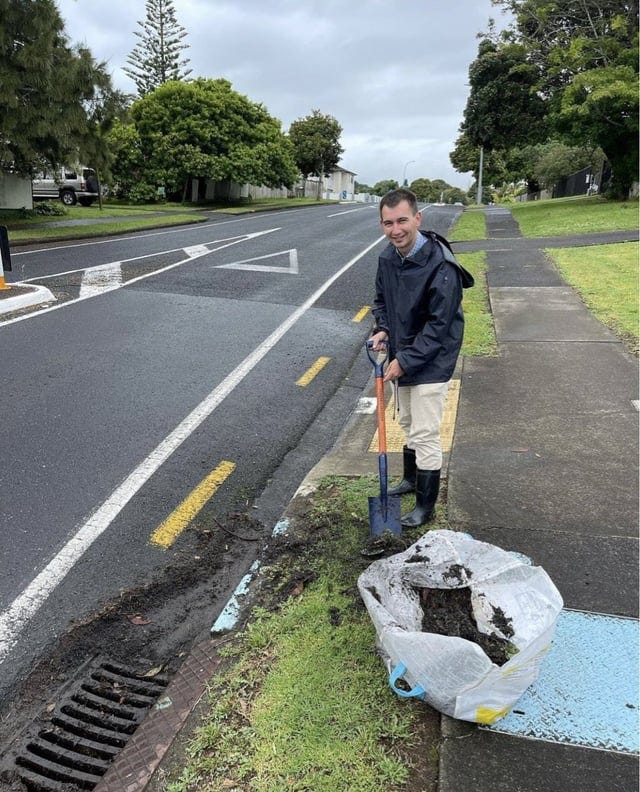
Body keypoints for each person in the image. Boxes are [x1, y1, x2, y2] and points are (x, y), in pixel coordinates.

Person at [369, 188, 473, 527]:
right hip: (405, 352)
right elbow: (382, 300)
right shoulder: (388, 257)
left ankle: (425, 507)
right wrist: (383, 328)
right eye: (388, 223)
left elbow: (439, 327)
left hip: (433, 357)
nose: (395, 229)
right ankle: (412, 480)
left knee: (426, 431)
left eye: (402, 220)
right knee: (408, 422)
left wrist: (405, 360)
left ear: (417, 218)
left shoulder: (441, 267)